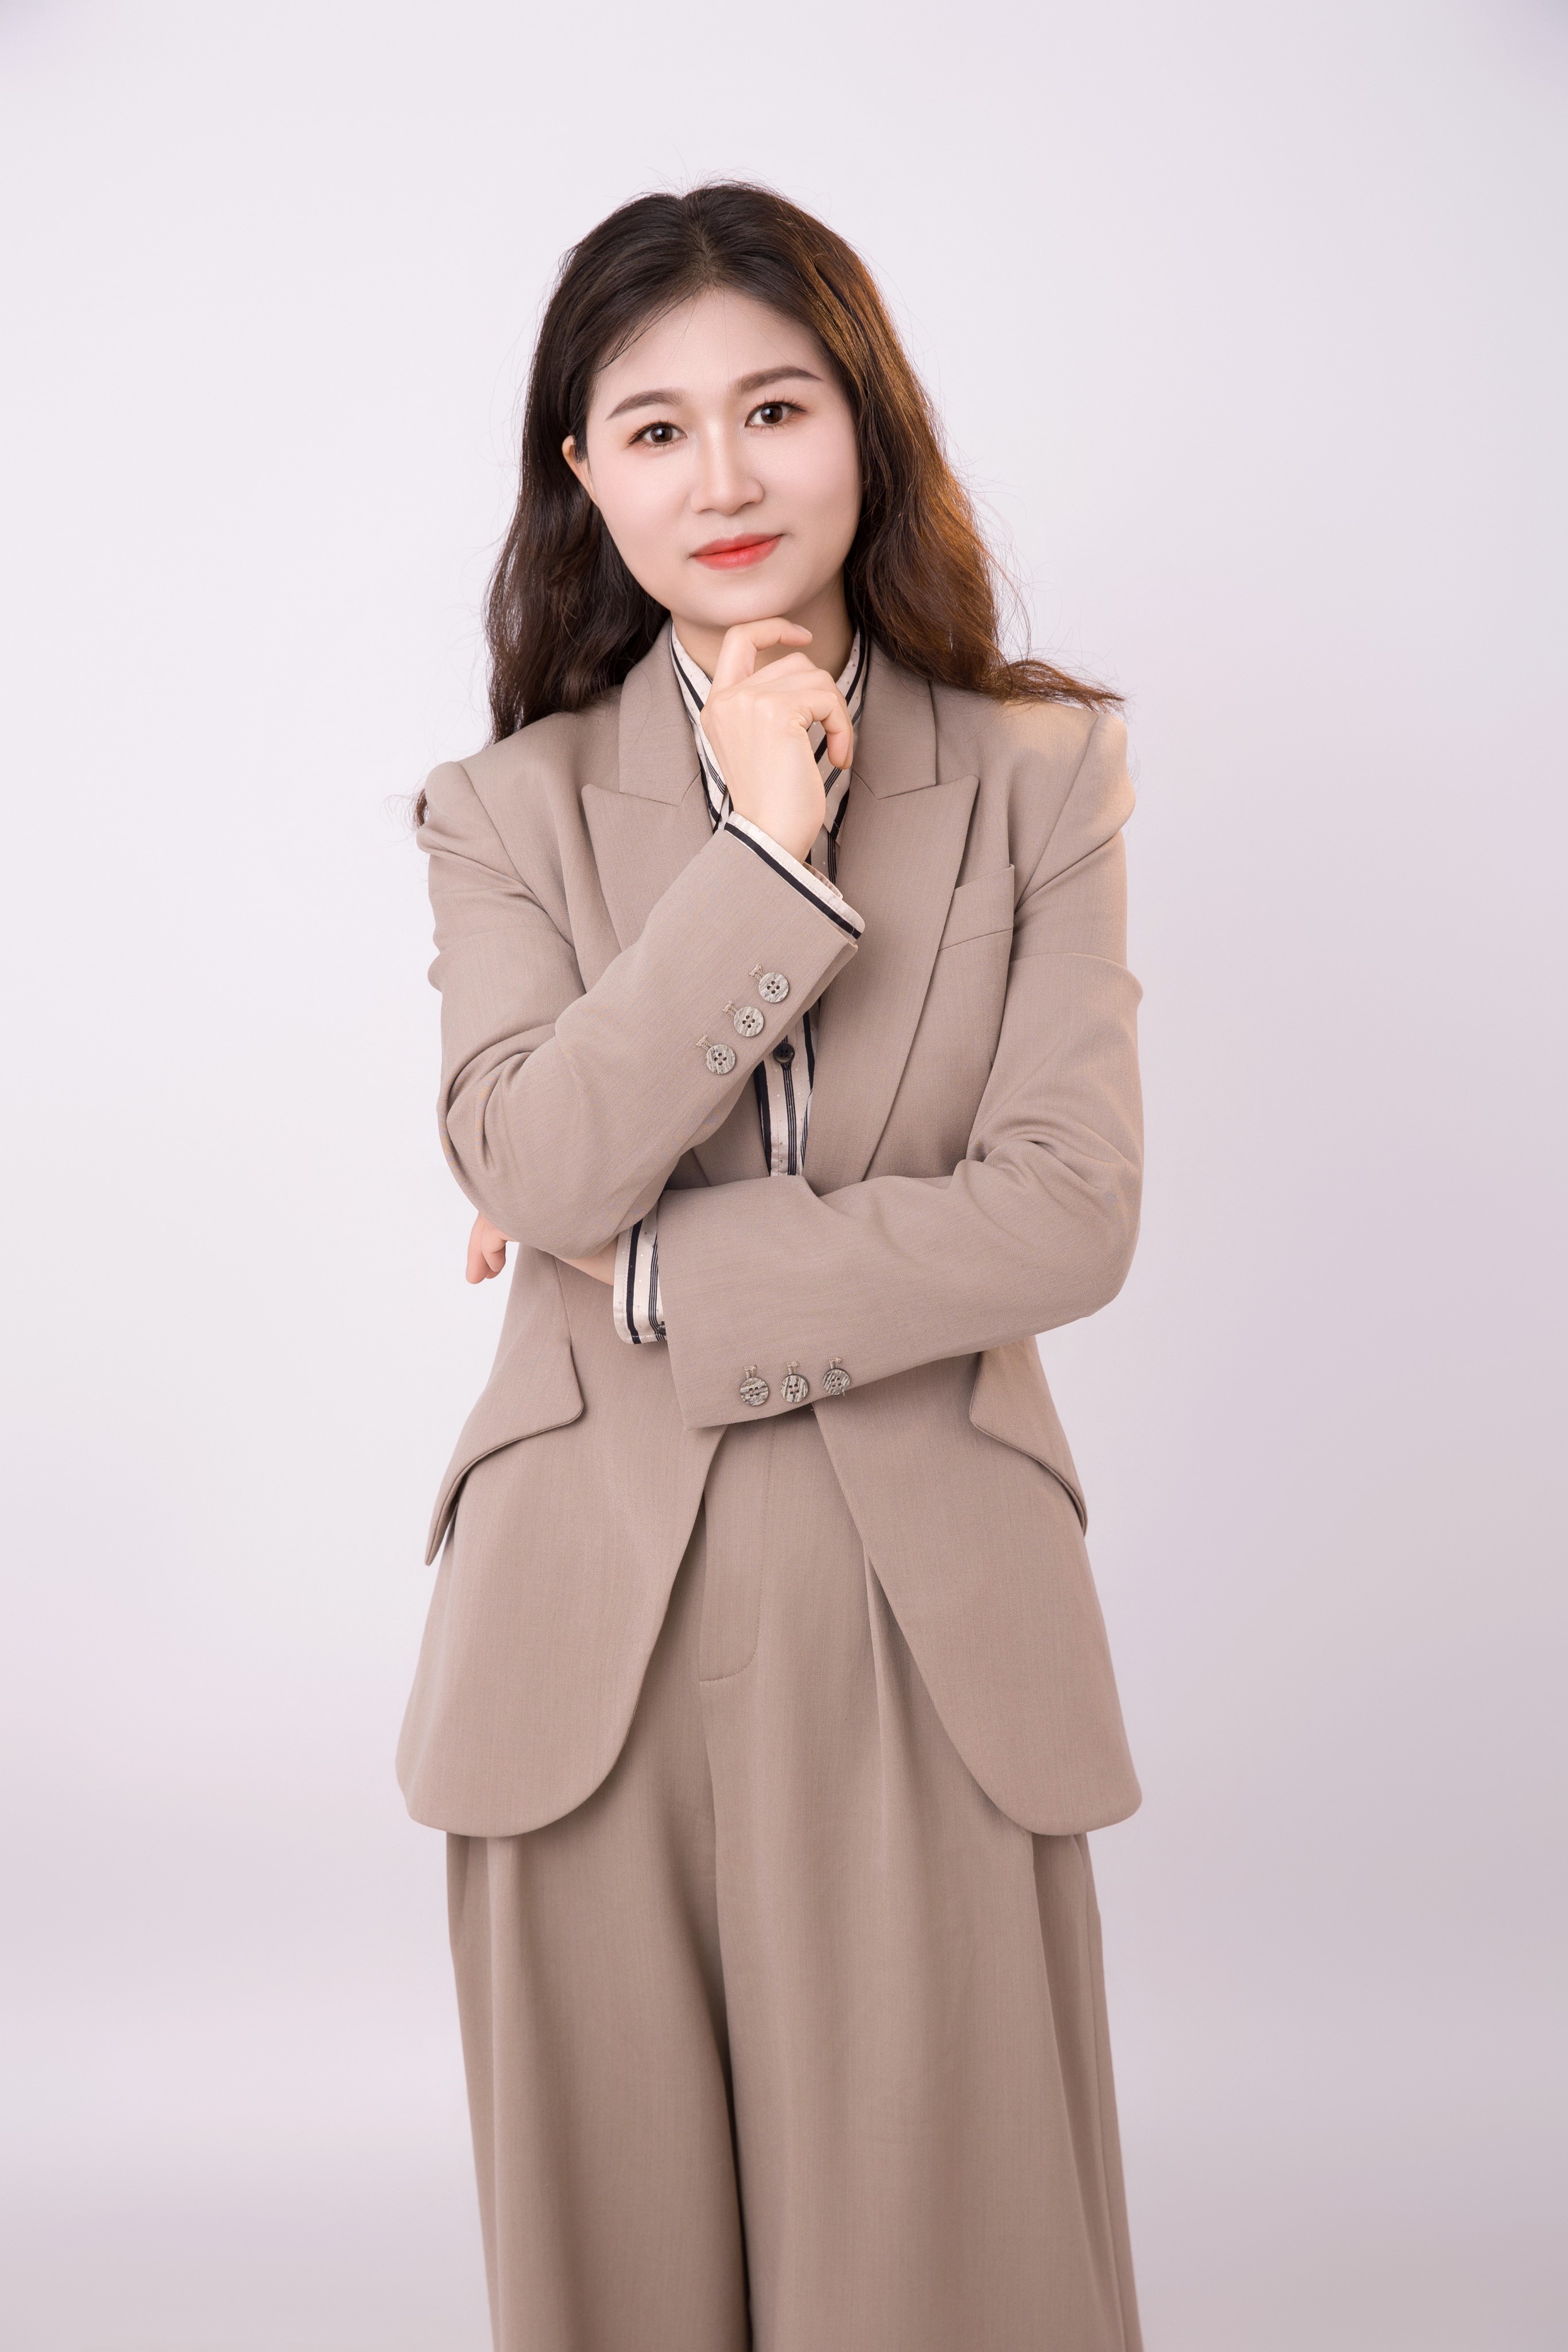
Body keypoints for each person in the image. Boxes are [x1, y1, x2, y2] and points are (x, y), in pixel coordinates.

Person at [402, 179, 1145, 2352]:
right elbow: (540, 1155)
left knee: (947, 2284)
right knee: (615, 2292)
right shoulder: (503, 810)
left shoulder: (1041, 773)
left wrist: (643, 1270)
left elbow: (1067, 1208)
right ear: (583, 473)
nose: (719, 479)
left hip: (930, 1624)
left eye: (774, 409)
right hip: (578, 1632)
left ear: (864, 425)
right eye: (653, 430)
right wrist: (762, 848)